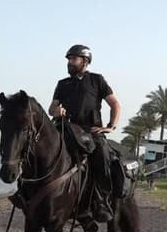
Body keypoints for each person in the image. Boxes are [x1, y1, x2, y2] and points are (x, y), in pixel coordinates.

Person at [48, 44, 121, 222]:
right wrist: (57, 111)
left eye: (74, 59)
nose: (70, 62)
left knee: (103, 155)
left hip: (91, 131)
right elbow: (52, 108)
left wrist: (111, 126)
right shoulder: (62, 84)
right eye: (69, 59)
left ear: (85, 61)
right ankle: (27, 190)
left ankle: (102, 201)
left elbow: (115, 104)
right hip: (65, 129)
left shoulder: (97, 80)